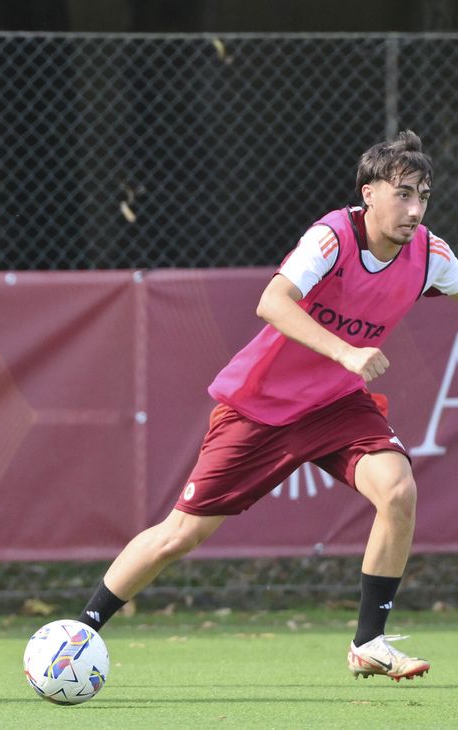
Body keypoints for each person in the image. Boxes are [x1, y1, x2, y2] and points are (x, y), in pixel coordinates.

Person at [78, 130, 457, 682]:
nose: (415, 208)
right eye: (402, 193)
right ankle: (81, 630)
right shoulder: (332, 237)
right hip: (261, 408)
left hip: (337, 407)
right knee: (179, 536)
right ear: (369, 193)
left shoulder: (430, 254)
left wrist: (345, 367)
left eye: (422, 195)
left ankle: (370, 641)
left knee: (398, 491)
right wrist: (346, 352)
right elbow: (271, 301)